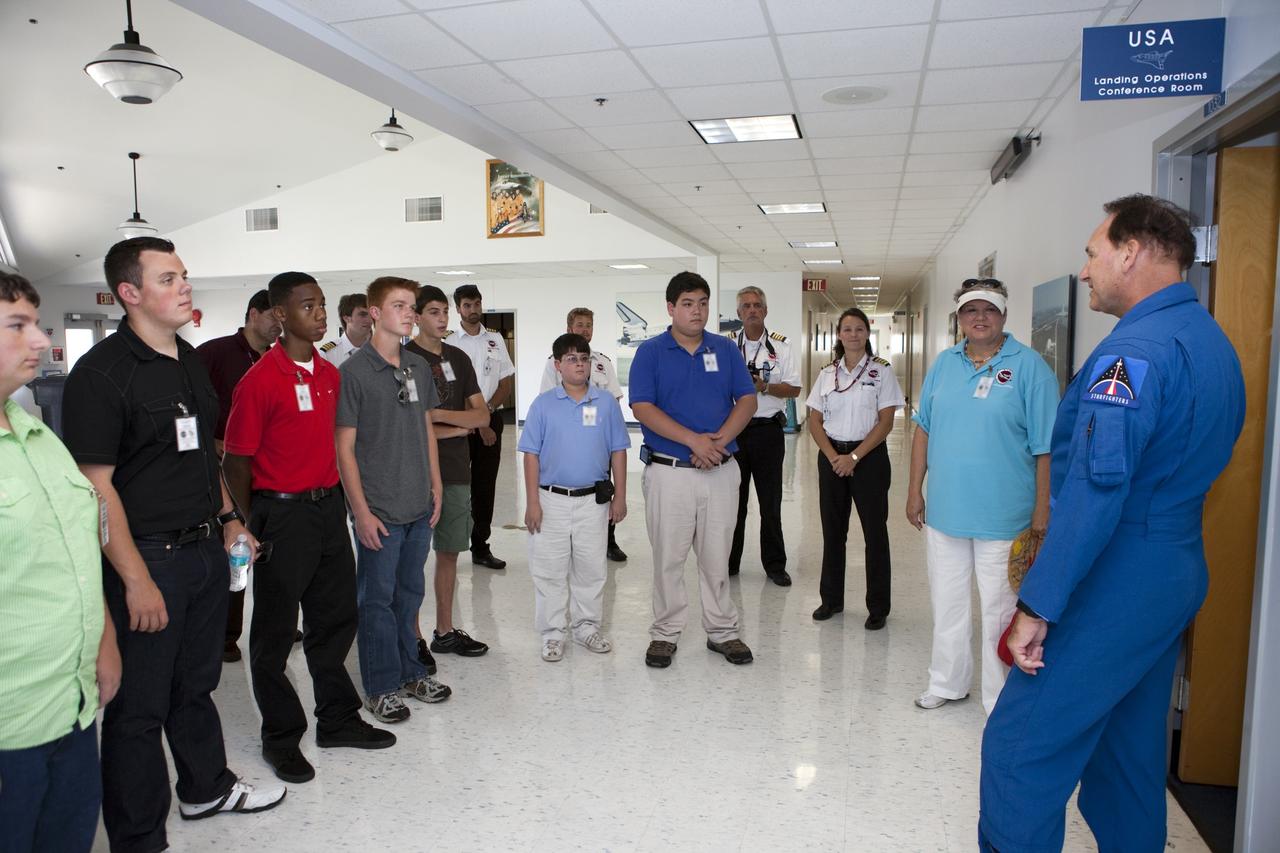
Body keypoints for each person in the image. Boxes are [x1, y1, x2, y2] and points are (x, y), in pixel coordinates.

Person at [979, 195, 1246, 853]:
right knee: (1126, 754)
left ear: (1132, 252)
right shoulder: (1211, 341)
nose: (1084, 269)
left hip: (1114, 573)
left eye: (1092, 253)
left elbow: (1097, 493)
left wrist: (1037, 606)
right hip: (1174, 567)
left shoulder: (1130, 358)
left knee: (1020, 748)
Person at [62, 238, 284, 853]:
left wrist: (231, 518)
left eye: (184, 275)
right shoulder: (102, 374)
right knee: (138, 708)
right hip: (148, 558)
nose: (184, 286)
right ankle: (138, 838)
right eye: (168, 279)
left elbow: (201, 456)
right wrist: (135, 579)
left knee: (195, 684)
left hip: (206, 550)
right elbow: (95, 488)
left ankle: (204, 787)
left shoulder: (187, 360)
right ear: (129, 293)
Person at [223, 271, 394, 787]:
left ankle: (337, 719)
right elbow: (236, 462)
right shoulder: (258, 381)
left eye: (321, 304)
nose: (319, 313)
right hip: (280, 515)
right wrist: (246, 525)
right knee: (274, 634)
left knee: (336, 618)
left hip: (326, 510)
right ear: (281, 315)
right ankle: (280, 738)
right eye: (308, 305)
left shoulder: (328, 374)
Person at [0, 273, 119, 853]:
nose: (42, 340)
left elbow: (73, 549)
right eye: (16, 326)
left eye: (38, 322)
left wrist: (102, 640)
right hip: (9, 721)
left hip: (70, 707)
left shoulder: (35, 433)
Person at [905, 281, 1057, 712]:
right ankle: (948, 682)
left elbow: (1046, 446)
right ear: (959, 319)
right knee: (948, 606)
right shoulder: (945, 364)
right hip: (946, 513)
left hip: (1004, 517)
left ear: (1004, 316)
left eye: (988, 310)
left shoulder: (1030, 368)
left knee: (999, 613)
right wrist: (915, 490)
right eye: (970, 311)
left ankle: (1000, 700)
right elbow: (924, 429)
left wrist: (1042, 508)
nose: (979, 317)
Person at [336, 276, 451, 723]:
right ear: (375, 313)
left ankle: (411, 672)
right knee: (376, 602)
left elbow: (426, 429)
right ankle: (380, 685)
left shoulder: (417, 367)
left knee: (409, 595)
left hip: (417, 505)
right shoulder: (353, 373)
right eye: (399, 306)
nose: (409, 313)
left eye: (412, 306)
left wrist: (436, 485)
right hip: (379, 510)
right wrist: (360, 512)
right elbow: (343, 448)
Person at [629, 271, 757, 668]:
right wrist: (693, 441)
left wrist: (715, 443)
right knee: (669, 556)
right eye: (687, 304)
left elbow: (747, 400)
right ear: (670, 308)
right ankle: (665, 633)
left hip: (720, 470)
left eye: (702, 303)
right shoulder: (650, 352)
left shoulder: (725, 348)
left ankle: (722, 631)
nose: (697, 311)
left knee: (717, 556)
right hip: (670, 473)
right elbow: (643, 408)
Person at [521, 333, 630, 661]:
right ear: (557, 365)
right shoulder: (542, 405)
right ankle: (553, 632)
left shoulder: (606, 403)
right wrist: (532, 502)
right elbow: (530, 455)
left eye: (584, 358)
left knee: (591, 568)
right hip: (550, 499)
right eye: (571, 359)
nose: (579, 364)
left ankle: (586, 627)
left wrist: (620, 497)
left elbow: (618, 451)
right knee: (550, 569)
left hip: (592, 502)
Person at [196, 288, 281, 663]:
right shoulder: (216, 354)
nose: (280, 324)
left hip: (272, 472)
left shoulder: (280, 358)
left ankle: (277, 624)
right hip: (228, 470)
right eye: (274, 316)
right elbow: (189, 402)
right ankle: (226, 636)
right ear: (253, 314)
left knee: (274, 551)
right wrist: (212, 440)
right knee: (235, 550)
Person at [407, 286, 492, 660]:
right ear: (417, 317)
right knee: (410, 559)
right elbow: (407, 425)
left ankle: (444, 630)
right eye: (434, 312)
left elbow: (482, 415)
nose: (442, 319)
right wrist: (453, 426)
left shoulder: (457, 357)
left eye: (445, 312)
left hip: (456, 469)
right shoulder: (404, 358)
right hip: (414, 473)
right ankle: (412, 637)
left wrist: (438, 416)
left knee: (448, 552)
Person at [807, 308, 905, 629]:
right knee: (833, 533)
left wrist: (855, 458)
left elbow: (886, 422)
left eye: (859, 329)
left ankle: (878, 607)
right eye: (847, 329)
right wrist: (834, 456)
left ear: (867, 334)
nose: (853, 335)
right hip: (832, 457)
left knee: (875, 534)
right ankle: (831, 601)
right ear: (839, 335)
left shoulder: (882, 372)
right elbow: (815, 420)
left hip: (869, 460)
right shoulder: (826, 373)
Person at [539, 307, 627, 563]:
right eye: (580, 325)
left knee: (602, 490)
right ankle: (568, 541)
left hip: (599, 440)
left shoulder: (602, 362)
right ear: (569, 327)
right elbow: (547, 401)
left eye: (589, 325)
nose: (584, 329)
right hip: (565, 440)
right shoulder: (552, 364)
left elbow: (614, 401)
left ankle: (608, 540)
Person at [727, 286, 801, 587]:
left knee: (770, 503)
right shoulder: (727, 347)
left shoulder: (782, 348)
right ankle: (729, 562)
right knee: (734, 502)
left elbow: (794, 389)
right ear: (739, 313)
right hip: (735, 431)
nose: (752, 310)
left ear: (765, 311)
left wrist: (764, 386)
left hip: (768, 430)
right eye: (746, 306)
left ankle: (774, 565)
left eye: (758, 305)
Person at [451, 284, 514, 570]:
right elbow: (450, 389)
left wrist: (485, 416)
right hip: (459, 425)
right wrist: (474, 419)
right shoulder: (450, 341)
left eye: (476, 303)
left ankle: (480, 546)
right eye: (467, 305)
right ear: (458, 309)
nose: (473, 309)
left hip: (491, 420)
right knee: (458, 487)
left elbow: (505, 382)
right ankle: (450, 546)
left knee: (485, 487)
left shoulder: (496, 339)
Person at [319, 292, 372, 369]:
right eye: (363, 315)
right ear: (346, 318)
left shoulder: (380, 351)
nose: (369, 320)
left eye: (371, 314)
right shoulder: (328, 355)